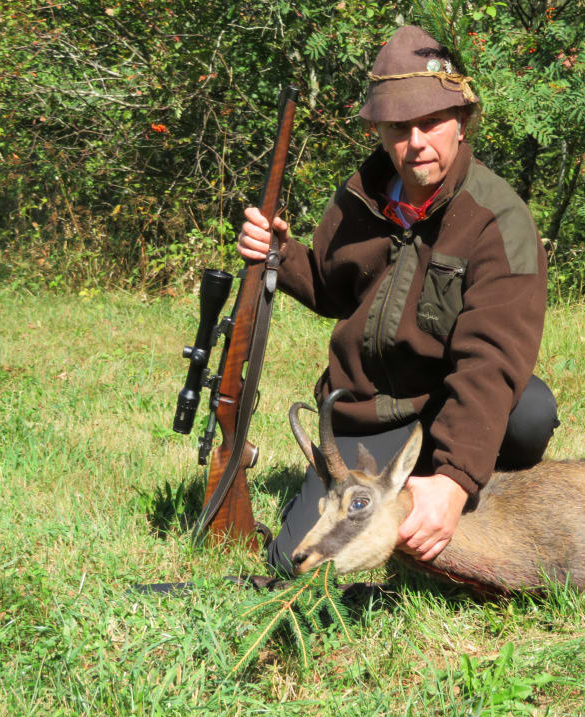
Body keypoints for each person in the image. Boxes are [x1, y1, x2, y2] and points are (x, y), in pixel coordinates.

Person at [238, 25, 558, 575]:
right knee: (295, 567)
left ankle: (457, 474)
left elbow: (492, 359)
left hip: (443, 404)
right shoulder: (358, 197)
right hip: (363, 413)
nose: (416, 143)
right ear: (380, 131)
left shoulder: (499, 219)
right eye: (398, 127)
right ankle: (397, 479)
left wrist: (454, 481)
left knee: (528, 413)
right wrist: (279, 254)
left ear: (461, 122)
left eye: (431, 123)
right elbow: (328, 286)